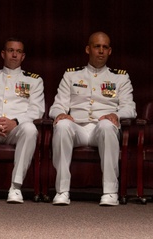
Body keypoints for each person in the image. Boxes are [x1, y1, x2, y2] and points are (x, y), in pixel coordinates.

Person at [49, 32, 135, 206]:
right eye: (97, 46)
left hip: (101, 129)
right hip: (78, 128)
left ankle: (110, 192)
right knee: (62, 125)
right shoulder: (71, 75)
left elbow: (130, 108)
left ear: (110, 51)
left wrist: (116, 115)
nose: (101, 51)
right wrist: (60, 114)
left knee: (107, 125)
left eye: (105, 47)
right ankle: (62, 190)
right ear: (88, 49)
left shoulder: (120, 77)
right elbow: (57, 105)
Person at [0, 39, 45, 204]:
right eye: (11, 50)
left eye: (18, 51)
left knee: (30, 129)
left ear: (23, 56)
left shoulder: (34, 80)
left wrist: (15, 122)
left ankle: (15, 187)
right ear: (3, 54)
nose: (14, 54)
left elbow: (36, 110)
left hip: (15, 129)